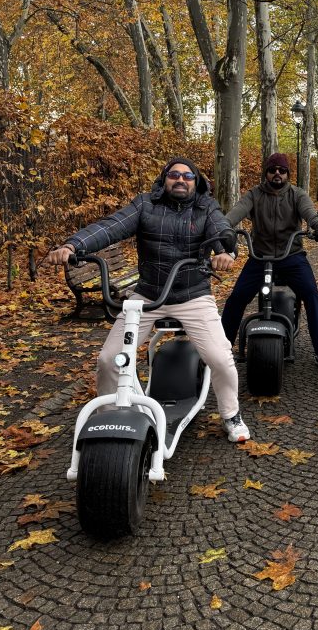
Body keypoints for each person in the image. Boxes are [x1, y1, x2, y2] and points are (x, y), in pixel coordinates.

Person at [46, 157, 250, 443]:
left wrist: (226, 251)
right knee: (109, 360)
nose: (180, 180)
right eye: (174, 175)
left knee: (220, 358)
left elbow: (221, 232)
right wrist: (73, 245)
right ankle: (110, 416)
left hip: (192, 295)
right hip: (147, 295)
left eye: (188, 176)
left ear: (197, 182)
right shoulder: (145, 204)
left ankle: (231, 415)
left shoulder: (206, 207)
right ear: (164, 179)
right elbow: (111, 226)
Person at [221, 152, 318, 371]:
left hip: (291, 257)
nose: (277, 174)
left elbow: (309, 212)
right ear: (266, 173)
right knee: (236, 297)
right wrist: (223, 228)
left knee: (312, 295)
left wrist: (317, 226)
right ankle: (221, 351)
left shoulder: (297, 194)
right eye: (272, 170)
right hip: (259, 257)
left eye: (282, 171)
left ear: (287, 174)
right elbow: (235, 214)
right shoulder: (254, 194)